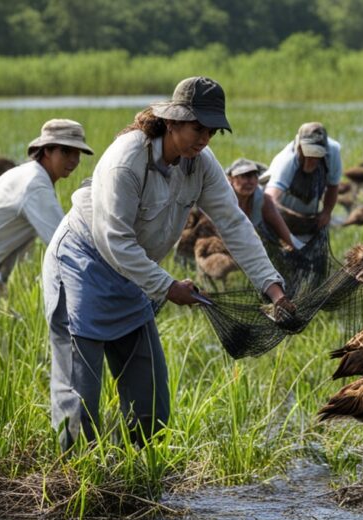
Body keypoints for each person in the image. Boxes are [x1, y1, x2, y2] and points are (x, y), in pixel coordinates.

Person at [43, 76, 294, 451]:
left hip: (135, 269)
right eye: (197, 128)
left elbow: (234, 224)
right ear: (172, 122)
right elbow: (115, 240)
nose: (205, 138)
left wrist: (273, 290)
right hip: (85, 263)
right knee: (81, 394)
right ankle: (76, 480)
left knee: (151, 403)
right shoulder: (126, 161)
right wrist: (167, 287)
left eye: (212, 131)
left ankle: (137, 475)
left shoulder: (201, 164)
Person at [0, 119, 93, 294]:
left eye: (78, 153)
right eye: (66, 151)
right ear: (47, 150)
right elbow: (65, 245)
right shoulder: (35, 185)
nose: (74, 160)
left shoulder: (28, 173)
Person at [263, 122, 341, 241]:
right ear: (300, 147)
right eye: (308, 152)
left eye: (317, 153)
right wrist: (288, 233)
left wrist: (326, 212)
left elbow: (333, 186)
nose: (312, 159)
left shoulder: (332, 152)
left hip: (309, 201)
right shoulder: (286, 161)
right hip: (280, 206)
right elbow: (268, 201)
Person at [225, 157, 301, 251]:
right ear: (231, 179)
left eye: (254, 176)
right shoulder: (222, 198)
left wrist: (299, 248)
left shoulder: (263, 200)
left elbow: (285, 233)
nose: (250, 181)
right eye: (245, 176)